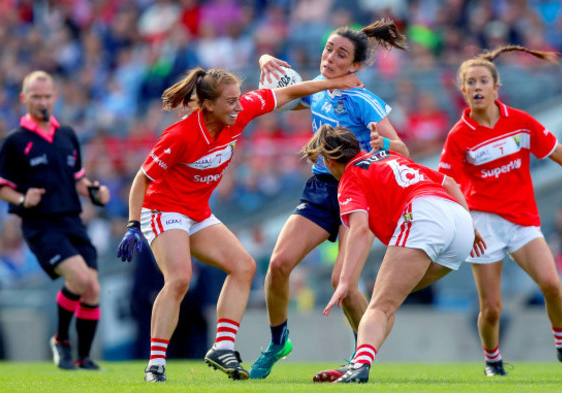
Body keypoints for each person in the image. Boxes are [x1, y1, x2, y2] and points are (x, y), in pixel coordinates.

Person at [116, 67, 362, 383]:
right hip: (163, 210)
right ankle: (156, 365)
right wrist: (133, 225)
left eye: (238, 99)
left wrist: (334, 82)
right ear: (208, 105)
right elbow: (142, 179)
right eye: (230, 101)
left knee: (243, 266)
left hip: (197, 212)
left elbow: (287, 93)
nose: (238, 106)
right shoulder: (180, 135)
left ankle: (223, 346)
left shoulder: (240, 112)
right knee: (179, 278)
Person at [438, 45, 562, 376]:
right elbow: (448, 184)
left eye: (482, 81)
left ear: (496, 87)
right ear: (463, 91)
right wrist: (466, 225)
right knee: (491, 309)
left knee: (551, 283)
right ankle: (493, 360)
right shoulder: (459, 136)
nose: (477, 88)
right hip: (482, 223)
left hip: (521, 220)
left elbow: (554, 149)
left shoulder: (519, 122)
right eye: (470, 83)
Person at [251, 18, 410, 382]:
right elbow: (282, 100)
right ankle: (278, 342)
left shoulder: (363, 100)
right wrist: (264, 59)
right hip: (323, 186)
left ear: (355, 65)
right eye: (328, 49)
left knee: (345, 281)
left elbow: (402, 149)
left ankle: (361, 354)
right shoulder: (319, 91)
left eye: (341, 55)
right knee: (278, 264)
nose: (331, 57)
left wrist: (380, 146)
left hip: (359, 187)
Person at [303, 124, 485, 383]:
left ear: (330, 161)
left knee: (378, 306)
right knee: (386, 302)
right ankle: (358, 362)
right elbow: (450, 182)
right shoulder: (388, 156)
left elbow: (359, 230)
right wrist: (471, 225)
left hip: (424, 216)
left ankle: (359, 366)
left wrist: (345, 280)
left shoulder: (350, 177)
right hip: (459, 224)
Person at [0, 71, 110, 370]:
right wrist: (21, 199)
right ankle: (60, 341)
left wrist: (95, 192)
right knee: (79, 278)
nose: (42, 101)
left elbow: (78, 179)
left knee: (93, 288)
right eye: (36, 96)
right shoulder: (15, 142)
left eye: (47, 96)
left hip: (72, 220)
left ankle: (84, 358)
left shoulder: (67, 135)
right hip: (40, 224)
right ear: (24, 99)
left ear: (55, 97)